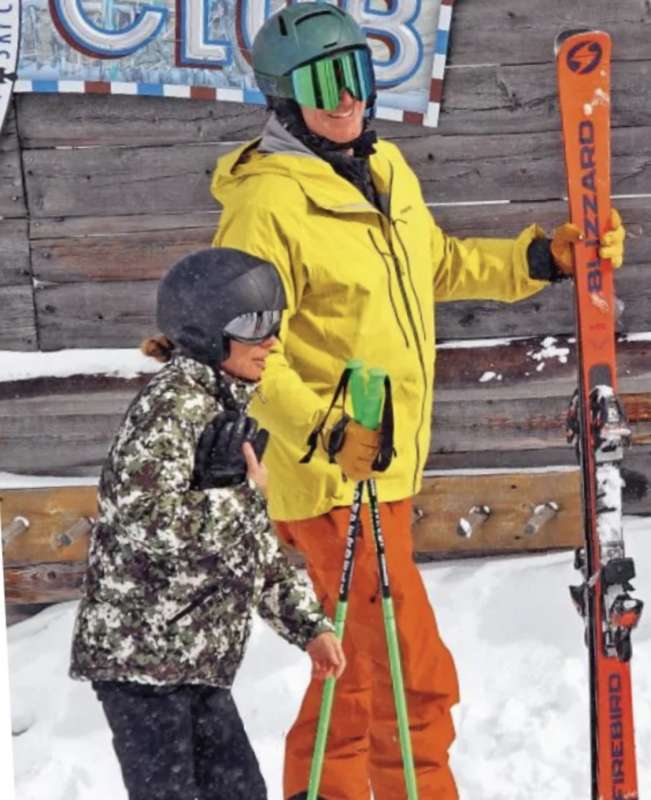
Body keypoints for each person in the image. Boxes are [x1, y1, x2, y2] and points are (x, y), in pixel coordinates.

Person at [209, 5, 627, 799]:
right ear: (283, 96)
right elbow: (248, 355)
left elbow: (432, 267)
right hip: (332, 477)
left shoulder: (386, 169)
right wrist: (333, 434)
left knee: (360, 668)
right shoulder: (267, 207)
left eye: (357, 74)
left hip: (384, 473)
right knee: (410, 671)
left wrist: (540, 257)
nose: (346, 98)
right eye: (322, 82)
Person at [69, 247, 346, 800]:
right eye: (252, 325)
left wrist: (307, 626)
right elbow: (145, 520)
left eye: (274, 322)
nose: (271, 340)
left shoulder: (221, 406)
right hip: (142, 661)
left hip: (191, 660)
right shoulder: (171, 409)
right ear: (204, 331)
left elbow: (243, 546)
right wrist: (244, 498)